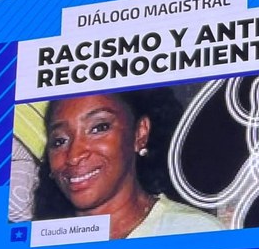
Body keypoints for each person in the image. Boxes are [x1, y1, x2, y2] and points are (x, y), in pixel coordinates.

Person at [33, 88, 225, 239]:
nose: (74, 155)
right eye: (59, 141)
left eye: (99, 128)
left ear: (140, 133)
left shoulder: (194, 232)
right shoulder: (40, 246)